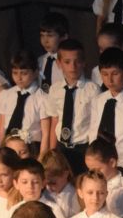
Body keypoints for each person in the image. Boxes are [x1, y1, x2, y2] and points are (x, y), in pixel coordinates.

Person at [40, 39, 99, 173]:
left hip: (83, 148)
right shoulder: (54, 90)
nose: (72, 67)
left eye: (77, 61)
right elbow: (55, 120)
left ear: (84, 62)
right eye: (67, 62)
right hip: (62, 148)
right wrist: (52, 151)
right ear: (59, 63)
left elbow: (95, 123)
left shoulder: (93, 90)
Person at [0, 50, 45, 155]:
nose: (19, 78)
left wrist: (41, 157)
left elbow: (46, 133)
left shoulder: (42, 98)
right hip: (9, 147)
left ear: (35, 72)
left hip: (32, 148)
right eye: (15, 73)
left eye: (24, 73)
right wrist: (1, 150)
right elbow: (2, 127)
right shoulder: (6, 95)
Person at [37, 12, 68, 93]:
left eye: (50, 36)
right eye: (42, 35)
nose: (45, 41)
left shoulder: (68, 62)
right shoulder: (40, 61)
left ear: (64, 37)